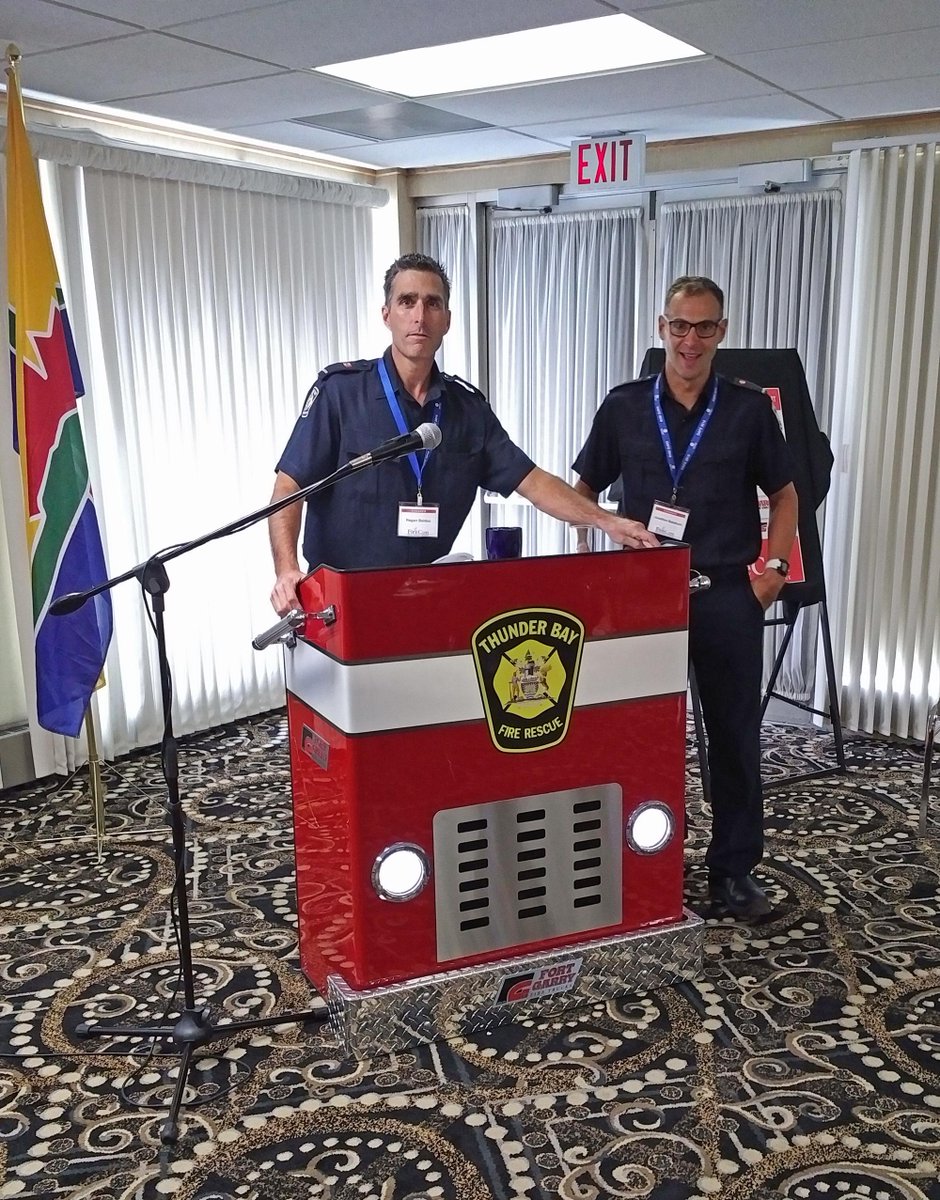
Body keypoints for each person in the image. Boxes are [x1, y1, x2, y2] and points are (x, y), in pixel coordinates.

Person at [572, 275, 798, 921]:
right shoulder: (623, 406)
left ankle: (734, 873)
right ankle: (644, 870)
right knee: (640, 737)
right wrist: (598, 569)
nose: (690, 340)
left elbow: (785, 494)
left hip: (727, 594)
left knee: (733, 738)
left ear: (721, 332)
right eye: (679, 326)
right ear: (661, 328)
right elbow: (583, 491)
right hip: (646, 600)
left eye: (703, 327)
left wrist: (772, 572)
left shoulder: (748, 410)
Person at [268, 253, 658, 615]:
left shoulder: (467, 409)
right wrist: (287, 570)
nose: (420, 316)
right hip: (341, 602)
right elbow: (289, 487)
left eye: (432, 303)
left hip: (427, 602)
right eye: (407, 302)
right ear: (387, 315)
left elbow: (533, 481)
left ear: (447, 319)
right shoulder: (341, 393)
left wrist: (607, 522)